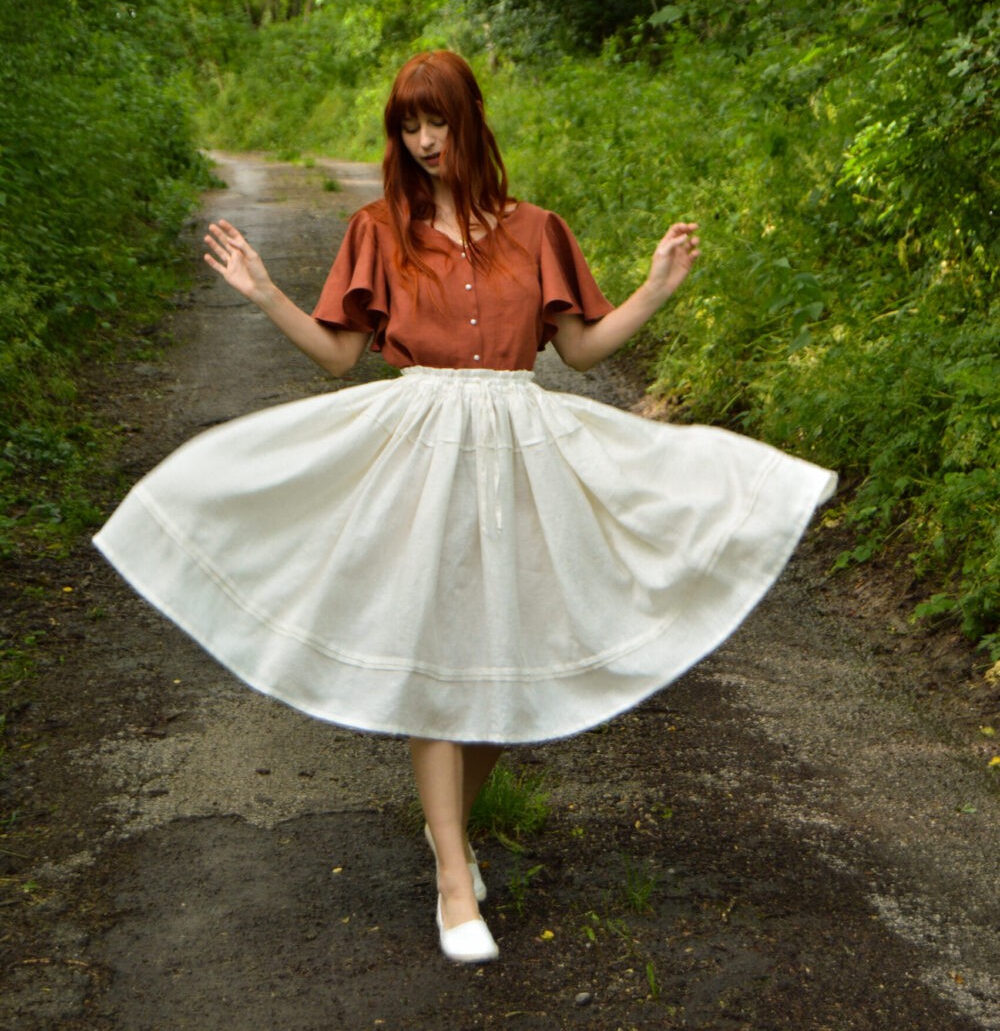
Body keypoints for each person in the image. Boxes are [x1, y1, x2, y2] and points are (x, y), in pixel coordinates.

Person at [94, 49, 836, 965]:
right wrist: (263, 293)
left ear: (469, 119)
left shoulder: (537, 230)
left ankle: (453, 838)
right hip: (419, 453)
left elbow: (585, 352)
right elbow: (338, 359)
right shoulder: (379, 229)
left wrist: (654, 288)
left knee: (503, 664)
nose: (422, 140)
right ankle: (453, 878)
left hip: (520, 456)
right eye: (407, 126)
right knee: (437, 657)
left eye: (435, 121)